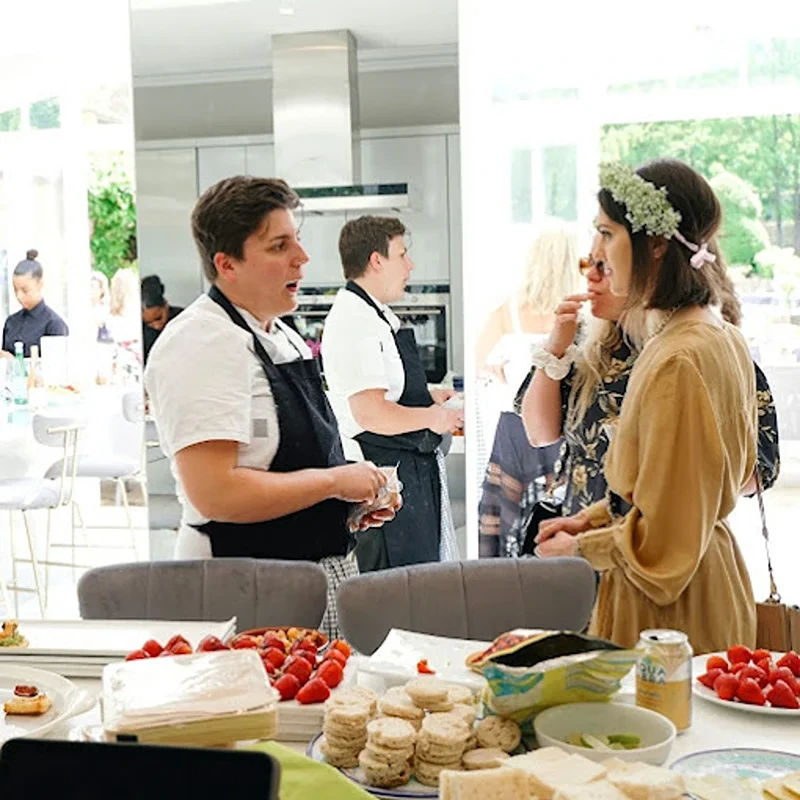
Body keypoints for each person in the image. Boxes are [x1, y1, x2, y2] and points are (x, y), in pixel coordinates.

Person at [144, 177, 397, 638]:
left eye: (296, 240)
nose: (302, 256)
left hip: (311, 579)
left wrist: (345, 505)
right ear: (227, 265)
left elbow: (285, 467)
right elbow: (214, 492)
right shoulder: (202, 342)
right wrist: (334, 482)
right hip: (246, 588)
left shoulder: (281, 335)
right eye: (280, 245)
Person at [533, 159, 759, 654]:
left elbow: (666, 537)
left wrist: (582, 547)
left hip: (670, 607)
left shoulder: (679, 358)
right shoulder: (716, 337)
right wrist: (593, 518)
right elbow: (668, 490)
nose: (598, 253)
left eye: (607, 234)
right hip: (703, 579)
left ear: (656, 244)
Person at [520, 259, 779, 521]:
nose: (592, 277)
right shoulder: (582, 342)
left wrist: (677, 456)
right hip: (580, 535)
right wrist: (555, 350)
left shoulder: (703, 348)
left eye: (605, 265)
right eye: (586, 264)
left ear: (650, 275)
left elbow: (758, 472)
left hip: (668, 541)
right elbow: (539, 434)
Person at [321, 215, 463, 571]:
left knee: (415, 586)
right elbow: (371, 413)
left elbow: (385, 388)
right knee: (396, 593)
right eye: (402, 255)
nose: (410, 265)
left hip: (403, 471)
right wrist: (435, 417)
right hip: (384, 475)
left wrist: (429, 395)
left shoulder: (374, 314)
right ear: (376, 260)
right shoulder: (356, 321)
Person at [473, 223, 580, 492]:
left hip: (515, 428)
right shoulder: (581, 314)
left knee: (515, 522)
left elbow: (474, 362)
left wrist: (494, 369)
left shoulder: (508, 310)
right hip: (565, 426)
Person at [1, 250, 68, 359]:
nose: (19, 296)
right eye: (15, 290)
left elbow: (56, 368)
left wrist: (15, 362)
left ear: (40, 284)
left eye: (25, 290)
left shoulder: (54, 324)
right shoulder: (11, 322)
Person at [141, 275, 184, 364]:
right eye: (149, 323)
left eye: (158, 318)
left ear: (166, 305)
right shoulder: (139, 333)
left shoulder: (184, 319)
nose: (156, 326)